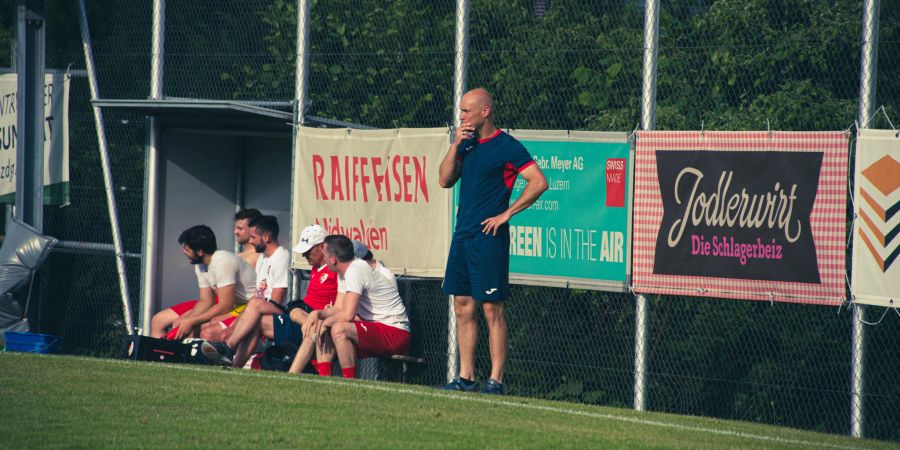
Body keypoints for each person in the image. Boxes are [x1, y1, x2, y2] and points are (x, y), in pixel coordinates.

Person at [437, 87, 548, 394]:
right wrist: (457, 143)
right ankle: (465, 377)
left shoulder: (507, 146)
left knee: (490, 308)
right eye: (460, 111)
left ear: (484, 111)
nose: (461, 116)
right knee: (462, 305)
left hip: (489, 238)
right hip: (464, 235)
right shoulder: (466, 144)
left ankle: (496, 381)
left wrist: (506, 214)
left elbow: (539, 182)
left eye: (466, 111)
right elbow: (444, 179)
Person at [211, 224, 338, 369]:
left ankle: (229, 353)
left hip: (311, 320)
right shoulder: (316, 267)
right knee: (256, 308)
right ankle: (230, 358)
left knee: (256, 312)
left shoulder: (334, 268)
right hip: (299, 314)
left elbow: (278, 298)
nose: (304, 255)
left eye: (308, 251)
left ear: (321, 248)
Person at [297, 236, 409, 379]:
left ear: (333, 259)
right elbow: (338, 308)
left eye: (325, 256)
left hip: (396, 332)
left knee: (338, 328)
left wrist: (325, 322)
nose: (323, 260)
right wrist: (317, 314)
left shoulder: (355, 270)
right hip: (377, 327)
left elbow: (347, 315)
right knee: (325, 324)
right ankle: (323, 378)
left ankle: (349, 382)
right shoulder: (344, 271)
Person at [149, 225, 256, 340]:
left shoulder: (223, 261)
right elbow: (206, 300)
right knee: (180, 323)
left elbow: (226, 305)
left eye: (187, 249)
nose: (183, 252)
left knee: (200, 328)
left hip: (250, 305)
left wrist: (192, 321)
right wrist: (187, 320)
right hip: (235, 305)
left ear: (200, 251)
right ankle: (161, 354)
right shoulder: (200, 263)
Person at [199, 215, 289, 344]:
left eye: (253, 237)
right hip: (255, 310)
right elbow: (257, 296)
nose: (250, 242)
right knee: (210, 324)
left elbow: (275, 303)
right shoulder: (262, 258)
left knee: (212, 334)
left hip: (271, 316)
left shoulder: (281, 258)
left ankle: (230, 355)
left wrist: (236, 325)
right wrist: (234, 316)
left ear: (266, 237)